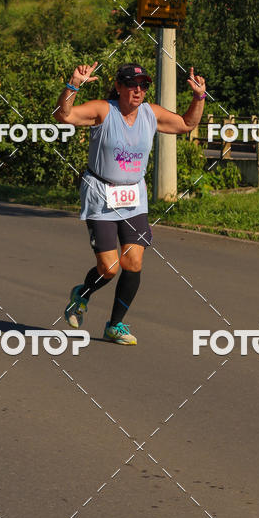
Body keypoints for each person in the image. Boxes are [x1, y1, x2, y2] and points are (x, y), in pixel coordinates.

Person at [54, 61, 207, 345]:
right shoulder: (103, 110)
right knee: (109, 269)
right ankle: (82, 294)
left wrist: (199, 97)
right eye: (132, 85)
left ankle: (115, 325)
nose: (138, 90)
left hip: (134, 196)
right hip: (100, 193)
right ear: (119, 86)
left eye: (143, 85)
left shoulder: (151, 114)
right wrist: (72, 86)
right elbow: (64, 116)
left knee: (133, 262)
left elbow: (187, 124)